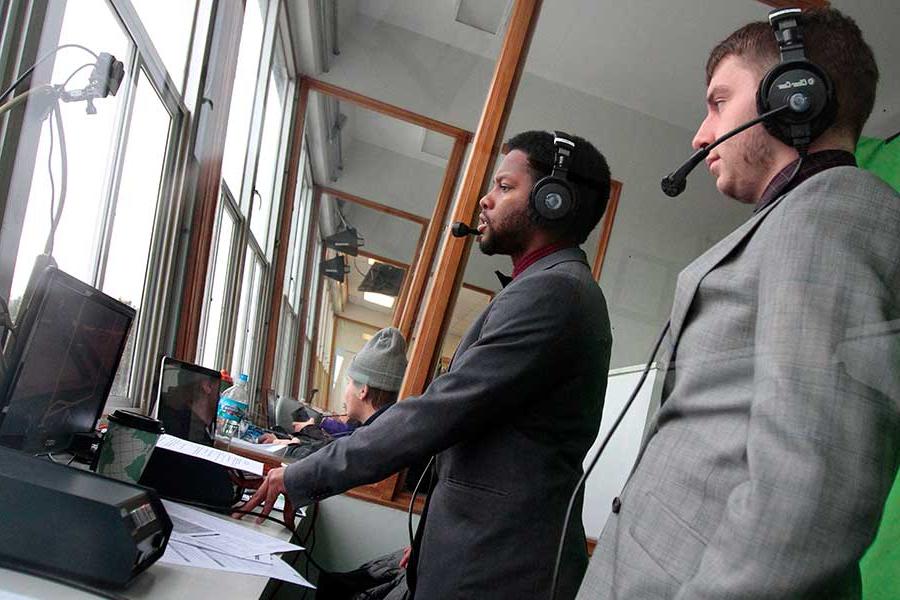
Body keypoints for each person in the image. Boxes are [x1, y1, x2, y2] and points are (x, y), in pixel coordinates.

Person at [579, 8, 899, 599]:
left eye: (718, 102)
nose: (701, 136)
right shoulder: (794, 219)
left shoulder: (836, 212)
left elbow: (811, 495)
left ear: (794, 96)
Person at [237, 130, 614, 599]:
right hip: (484, 553)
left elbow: (434, 416)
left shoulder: (552, 294)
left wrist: (301, 475)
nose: (484, 200)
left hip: (499, 569)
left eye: (503, 186)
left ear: (552, 200)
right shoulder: (549, 288)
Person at [259, 327, 407, 460]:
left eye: (349, 382)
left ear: (363, 390)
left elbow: (331, 460)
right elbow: (333, 449)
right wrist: (293, 444)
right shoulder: (383, 431)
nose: (346, 389)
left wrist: (288, 446)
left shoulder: (371, 439)